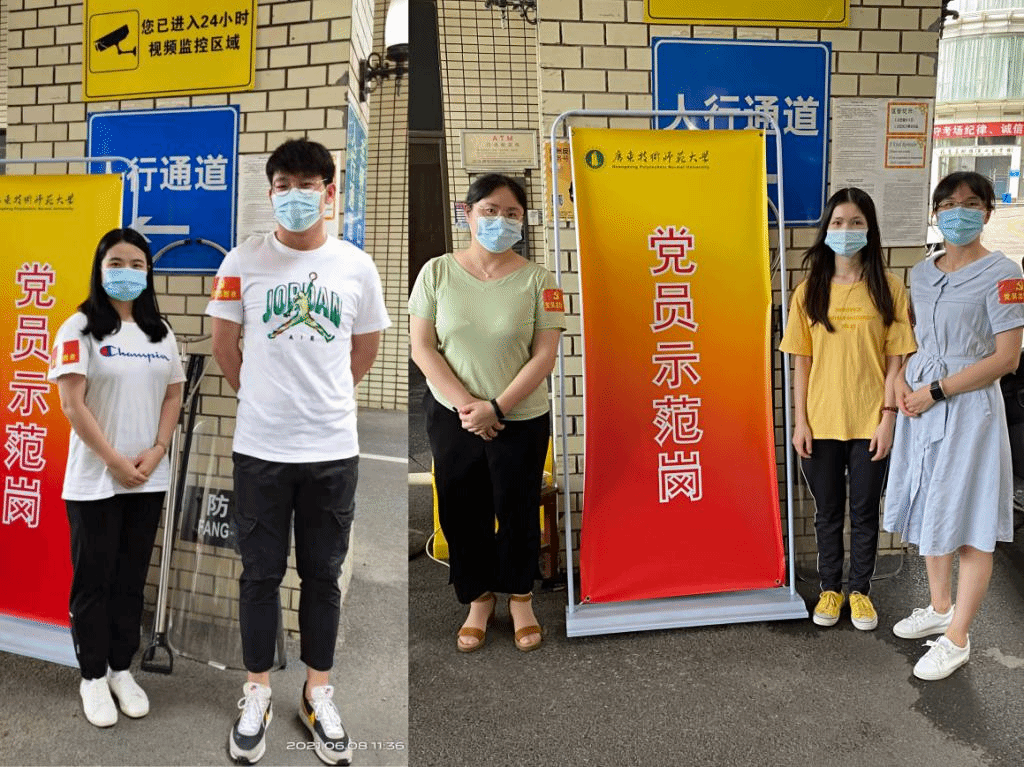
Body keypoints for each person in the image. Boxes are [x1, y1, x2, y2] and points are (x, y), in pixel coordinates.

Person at [207, 138, 390, 764]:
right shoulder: (242, 259)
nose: (294, 196)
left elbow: (364, 347)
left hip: (333, 450)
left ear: (329, 193)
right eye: (283, 185)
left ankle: (318, 692)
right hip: (260, 449)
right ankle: (256, 690)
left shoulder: (356, 266)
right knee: (259, 573)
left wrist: (323, 399)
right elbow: (225, 344)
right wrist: (264, 398)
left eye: (307, 185)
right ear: (271, 192)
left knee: (322, 574)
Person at [409, 174, 566, 653]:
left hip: (520, 417)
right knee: (462, 509)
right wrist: (469, 407)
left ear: (523, 220)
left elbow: (545, 354)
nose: (501, 221)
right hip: (452, 416)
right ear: (468, 213)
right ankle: (478, 599)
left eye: (512, 213)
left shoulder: (540, 280)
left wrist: (497, 407)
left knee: (517, 508)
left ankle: (520, 598)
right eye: (490, 211)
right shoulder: (436, 272)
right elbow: (422, 347)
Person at [884, 171, 1024, 680]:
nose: (956, 212)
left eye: (969, 203)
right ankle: (939, 607)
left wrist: (937, 390)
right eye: (947, 204)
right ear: (935, 213)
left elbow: (1007, 358)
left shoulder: (1004, 274)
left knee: (971, 523)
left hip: (968, 412)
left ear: (987, 211)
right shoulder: (922, 272)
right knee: (931, 506)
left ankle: (958, 637)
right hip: (920, 407)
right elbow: (917, 336)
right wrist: (902, 378)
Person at [49, 228, 185, 727]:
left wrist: (158, 449)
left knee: (130, 580)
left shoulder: (160, 331)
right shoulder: (79, 327)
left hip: (148, 477)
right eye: (116, 263)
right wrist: (113, 460)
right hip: (96, 480)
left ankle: (120, 669)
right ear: (99, 268)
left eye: (136, 264)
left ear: (148, 272)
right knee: (94, 581)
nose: (126, 272)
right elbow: (71, 403)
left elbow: (173, 394)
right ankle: (91, 676)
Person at [780, 187, 916, 631]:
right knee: (827, 513)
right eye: (838, 222)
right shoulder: (809, 291)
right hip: (820, 423)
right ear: (826, 229)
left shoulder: (888, 287)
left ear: (869, 229)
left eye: (856, 222)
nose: (846, 230)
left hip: (870, 422)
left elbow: (896, 360)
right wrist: (800, 422)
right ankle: (830, 589)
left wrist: (888, 419)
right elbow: (802, 363)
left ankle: (859, 592)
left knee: (863, 512)